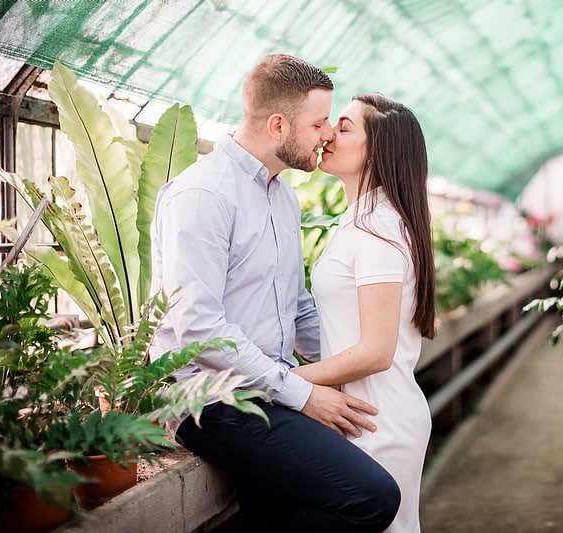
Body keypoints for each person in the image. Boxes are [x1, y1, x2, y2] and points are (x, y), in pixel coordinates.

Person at [149, 55, 400, 532]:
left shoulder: (282, 196)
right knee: (373, 496)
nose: (327, 134)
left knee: (286, 504)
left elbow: (298, 304)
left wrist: (347, 372)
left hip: (266, 388)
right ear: (278, 124)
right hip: (213, 401)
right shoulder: (203, 195)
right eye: (319, 122)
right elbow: (198, 326)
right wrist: (302, 393)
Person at [290, 93, 436, 533]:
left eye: (346, 126)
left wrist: (279, 382)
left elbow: (376, 351)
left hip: (377, 422)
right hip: (363, 414)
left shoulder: (378, 228)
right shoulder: (358, 221)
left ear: (379, 149)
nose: (329, 132)